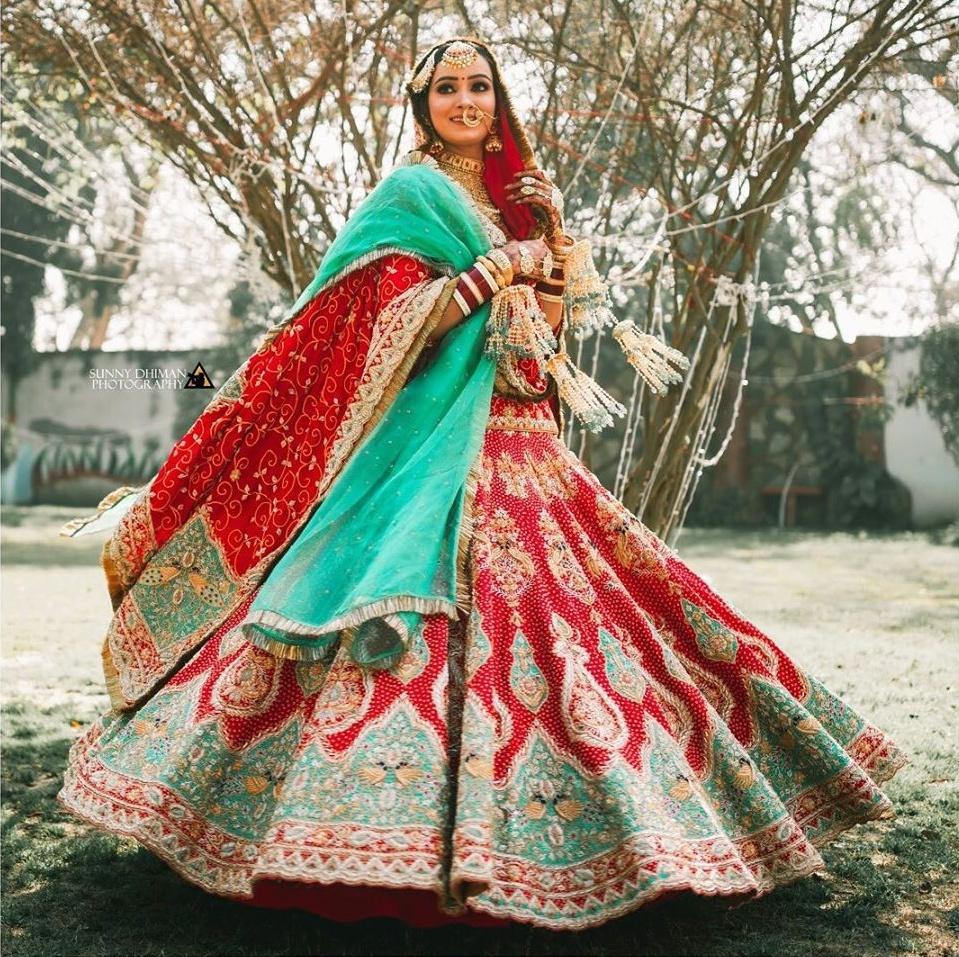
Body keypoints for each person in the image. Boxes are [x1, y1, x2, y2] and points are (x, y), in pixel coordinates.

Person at [57, 36, 908, 931]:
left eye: (481, 87)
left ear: (499, 101)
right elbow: (375, 326)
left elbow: (540, 341)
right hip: (435, 457)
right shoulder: (411, 196)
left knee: (592, 629)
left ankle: (646, 826)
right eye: (448, 88)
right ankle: (355, 849)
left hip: (529, 449)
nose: (467, 101)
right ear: (421, 103)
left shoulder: (512, 202)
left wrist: (546, 248)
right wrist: (497, 267)